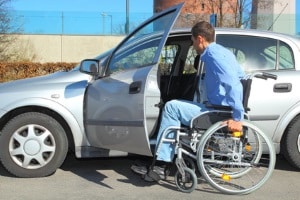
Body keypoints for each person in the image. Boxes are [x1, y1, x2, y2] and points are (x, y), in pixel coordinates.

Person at [131, 21, 245, 181]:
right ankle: (164, 157)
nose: (192, 45)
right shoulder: (223, 52)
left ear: (199, 39)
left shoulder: (214, 55)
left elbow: (234, 83)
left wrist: (237, 117)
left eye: (192, 41)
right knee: (177, 104)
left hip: (217, 112)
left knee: (171, 107)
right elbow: (241, 75)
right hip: (216, 107)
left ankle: (162, 164)